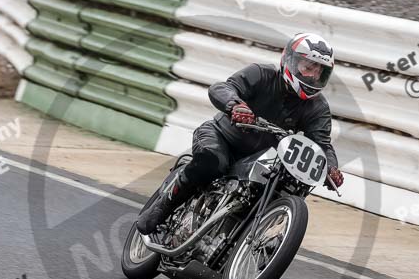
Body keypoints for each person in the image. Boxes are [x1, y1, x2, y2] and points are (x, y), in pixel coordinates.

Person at [137, 32, 344, 235]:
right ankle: (161, 208)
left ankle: (255, 237)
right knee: (212, 160)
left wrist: (331, 167)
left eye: (320, 72)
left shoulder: (318, 108)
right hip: (222, 137)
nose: (313, 75)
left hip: (261, 159)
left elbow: (322, 144)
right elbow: (223, 87)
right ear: (289, 59)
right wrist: (235, 106)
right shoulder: (262, 74)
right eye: (308, 67)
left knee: (282, 187)